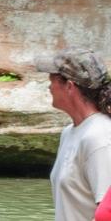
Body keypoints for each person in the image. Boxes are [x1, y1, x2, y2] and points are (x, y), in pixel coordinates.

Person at [38, 49, 111, 221]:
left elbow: (107, 213)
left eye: (52, 80)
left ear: (70, 86)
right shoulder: (70, 132)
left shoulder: (100, 137)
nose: (49, 87)